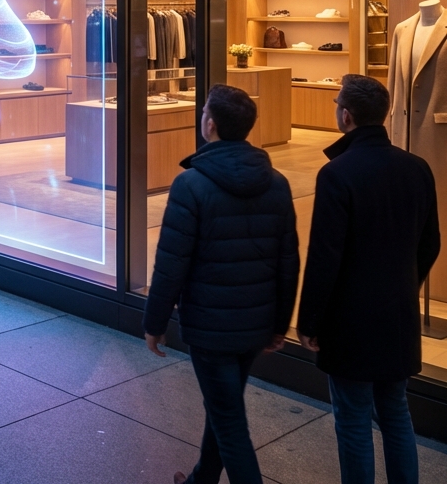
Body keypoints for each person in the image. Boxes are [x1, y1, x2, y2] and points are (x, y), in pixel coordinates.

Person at [143, 84, 299, 484]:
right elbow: (288, 262)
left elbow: (171, 264)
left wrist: (154, 322)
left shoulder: (191, 185)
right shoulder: (277, 183)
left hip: (211, 328)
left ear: (209, 124)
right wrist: (280, 324)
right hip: (256, 323)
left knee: (230, 422)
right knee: (224, 406)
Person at [297, 74, 440, 484]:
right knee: (396, 413)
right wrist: (405, 284)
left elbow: (325, 258)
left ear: (346, 116)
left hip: (350, 321)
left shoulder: (338, 174)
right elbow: (431, 243)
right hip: (398, 315)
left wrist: (310, 321)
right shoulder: (417, 168)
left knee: (354, 419)